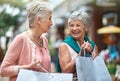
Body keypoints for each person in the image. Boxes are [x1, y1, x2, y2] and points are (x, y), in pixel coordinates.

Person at [0, 0, 53, 81]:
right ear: (39, 20)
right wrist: (27, 68)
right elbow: (3, 70)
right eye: (49, 18)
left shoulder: (44, 40)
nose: (51, 23)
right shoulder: (21, 39)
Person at [58, 10, 98, 81]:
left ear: (85, 28)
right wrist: (80, 56)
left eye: (78, 25)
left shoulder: (93, 46)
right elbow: (66, 71)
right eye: (71, 25)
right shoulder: (65, 45)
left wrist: (93, 58)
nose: (74, 28)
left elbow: (96, 70)